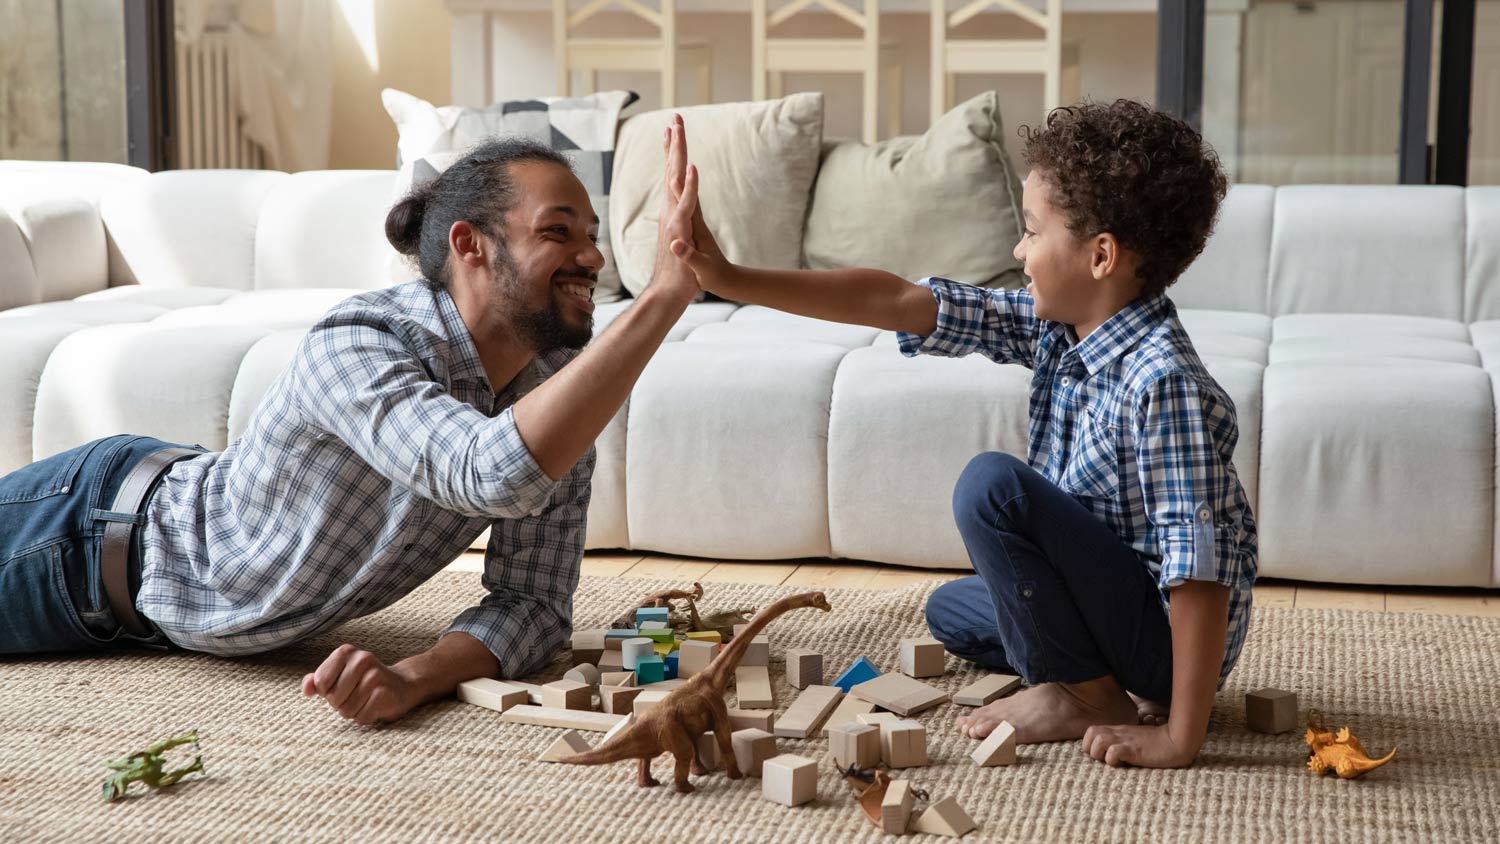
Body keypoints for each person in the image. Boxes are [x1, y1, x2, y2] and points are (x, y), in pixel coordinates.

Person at [0, 117, 708, 728]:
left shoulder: (557, 403)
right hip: (84, 538)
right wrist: (663, 296)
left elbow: (533, 604)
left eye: (592, 235)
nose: (592, 256)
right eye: (560, 232)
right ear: (471, 245)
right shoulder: (364, 340)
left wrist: (415, 675)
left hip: (152, 599)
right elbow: (485, 472)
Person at [666, 99, 1256, 769]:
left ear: (1100, 256)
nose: (1018, 250)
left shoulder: (1161, 381)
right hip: (1123, 608)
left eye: (1032, 232)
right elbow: (897, 301)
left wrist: (1182, 733)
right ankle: (1086, 682)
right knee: (954, 610)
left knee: (992, 488)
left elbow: (1198, 575)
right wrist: (730, 278)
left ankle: (1087, 697)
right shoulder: (1064, 328)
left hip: (1169, 642)